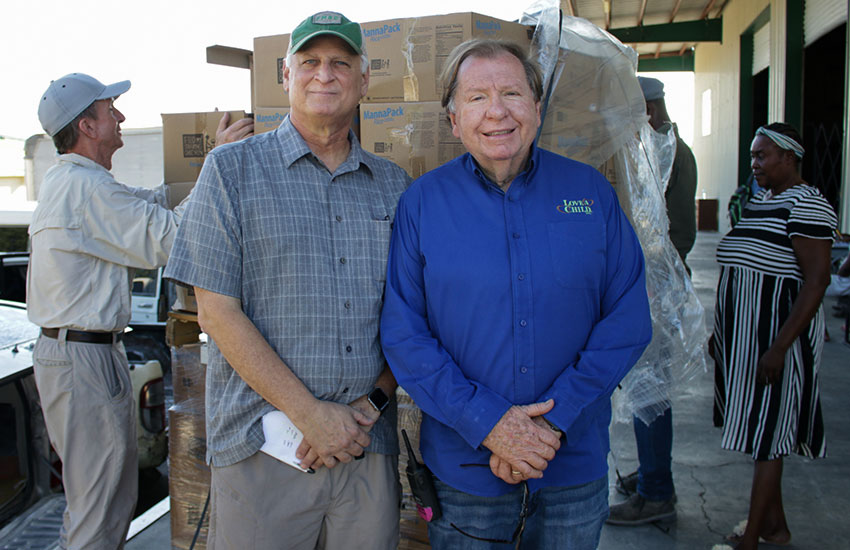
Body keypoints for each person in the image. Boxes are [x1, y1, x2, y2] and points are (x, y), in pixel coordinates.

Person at [380, 39, 651, 549]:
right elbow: (404, 333)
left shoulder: (589, 194)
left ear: (538, 108)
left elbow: (628, 320)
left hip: (573, 469)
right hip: (467, 476)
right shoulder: (421, 204)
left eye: (511, 93)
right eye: (477, 97)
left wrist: (550, 424)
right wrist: (488, 424)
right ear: (454, 119)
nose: (497, 111)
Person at [164, 11, 411, 550]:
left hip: (366, 447)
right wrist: (310, 416)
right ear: (285, 75)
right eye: (310, 62)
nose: (325, 74)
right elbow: (216, 313)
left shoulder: (394, 186)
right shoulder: (230, 171)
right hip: (263, 450)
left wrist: (369, 406)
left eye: (341, 63)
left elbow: (413, 316)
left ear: (364, 81)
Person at [27, 72, 251, 549]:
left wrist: (210, 160)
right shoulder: (85, 190)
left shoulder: (79, 182)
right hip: (81, 361)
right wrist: (220, 164)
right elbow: (172, 237)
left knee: (99, 500)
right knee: (100, 506)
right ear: (87, 126)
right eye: (111, 110)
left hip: (78, 356)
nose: (121, 117)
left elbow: (149, 206)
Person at [711, 123, 836, 549]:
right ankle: (774, 527)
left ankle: (750, 542)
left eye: (762, 156)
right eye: (752, 156)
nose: (754, 164)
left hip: (777, 344)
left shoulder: (808, 204)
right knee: (762, 429)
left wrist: (780, 347)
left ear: (789, 157)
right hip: (749, 343)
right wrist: (722, 335)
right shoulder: (764, 201)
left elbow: (816, 281)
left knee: (769, 439)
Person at [608, 76, 698, 526]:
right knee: (641, 389)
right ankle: (651, 471)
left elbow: (679, 233)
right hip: (635, 287)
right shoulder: (637, 150)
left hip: (655, 294)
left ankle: (656, 492)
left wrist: (653, 288)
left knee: (650, 392)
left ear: (650, 109)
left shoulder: (671, 152)